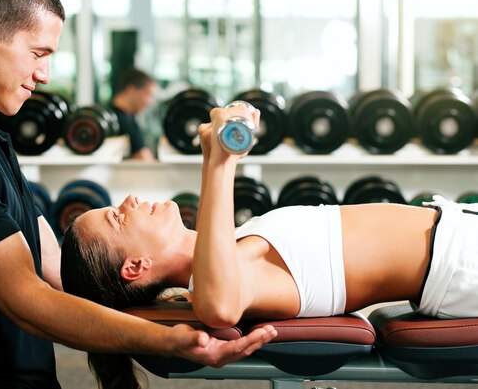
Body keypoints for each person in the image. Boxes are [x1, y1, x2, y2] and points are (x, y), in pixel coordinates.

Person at [0, 0, 276, 388]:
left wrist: (168, 290)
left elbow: (53, 265)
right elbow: (28, 300)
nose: (44, 74)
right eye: (38, 53)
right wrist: (166, 341)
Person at [60, 103, 478, 387]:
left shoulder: (233, 248)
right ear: (136, 267)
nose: (130, 201)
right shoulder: (228, 281)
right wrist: (224, 160)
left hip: (460, 235)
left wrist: (212, 149)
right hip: (460, 262)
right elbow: (219, 307)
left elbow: (214, 236)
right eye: (118, 216)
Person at [109, 68, 158, 161]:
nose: (150, 102)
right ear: (131, 90)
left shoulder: (129, 118)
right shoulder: (120, 121)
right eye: (148, 94)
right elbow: (144, 158)